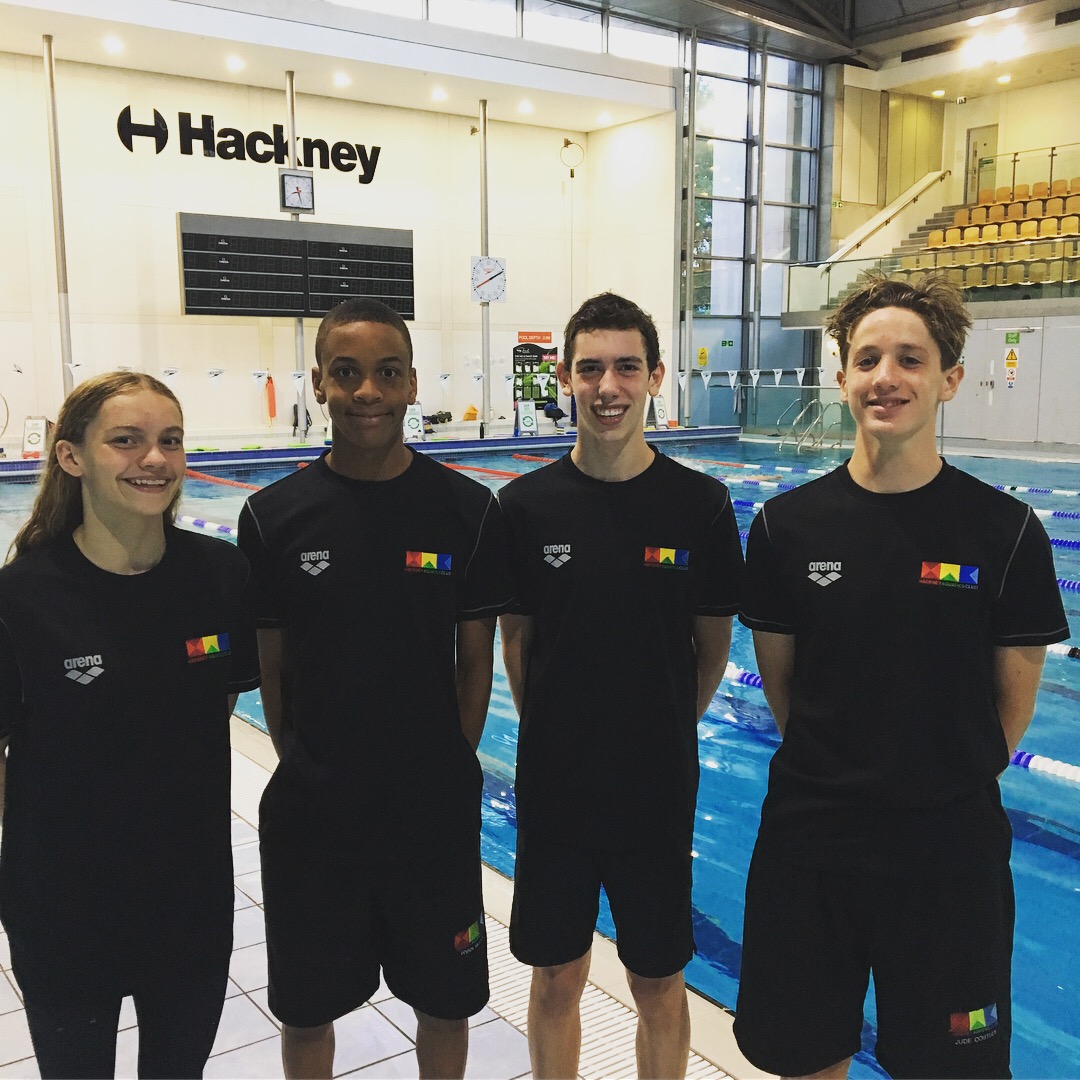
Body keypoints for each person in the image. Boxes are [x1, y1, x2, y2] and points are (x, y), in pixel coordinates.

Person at [734, 273, 1071, 1079]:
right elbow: (785, 689)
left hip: (948, 854)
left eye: (911, 359)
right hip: (811, 842)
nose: (886, 376)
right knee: (806, 1056)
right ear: (843, 376)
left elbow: (1009, 710)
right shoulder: (786, 526)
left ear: (949, 379)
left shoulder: (1007, 531)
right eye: (868, 358)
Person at [237, 298, 513, 1080]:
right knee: (305, 1006)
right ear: (320, 382)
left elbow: (474, 665)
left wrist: (443, 763)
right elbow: (273, 669)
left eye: (386, 373)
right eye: (348, 373)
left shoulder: (467, 509)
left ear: (412, 384)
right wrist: (310, 764)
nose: (367, 392)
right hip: (316, 812)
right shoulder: (271, 517)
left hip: (430, 810)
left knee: (447, 999)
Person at [498, 292, 745, 1079]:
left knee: (659, 979)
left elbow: (712, 648)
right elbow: (518, 647)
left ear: (656, 377)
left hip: (655, 786)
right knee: (556, 974)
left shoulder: (700, 506)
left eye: (627, 367)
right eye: (592, 367)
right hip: (556, 784)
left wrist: (662, 727)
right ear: (566, 377)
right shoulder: (522, 507)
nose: (609, 386)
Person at [0, 372, 259, 1079]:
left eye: (169, 441)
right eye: (127, 441)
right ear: (71, 457)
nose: (155, 459)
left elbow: (212, 708)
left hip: (190, 900)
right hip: (63, 909)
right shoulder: (21, 599)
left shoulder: (221, 575)